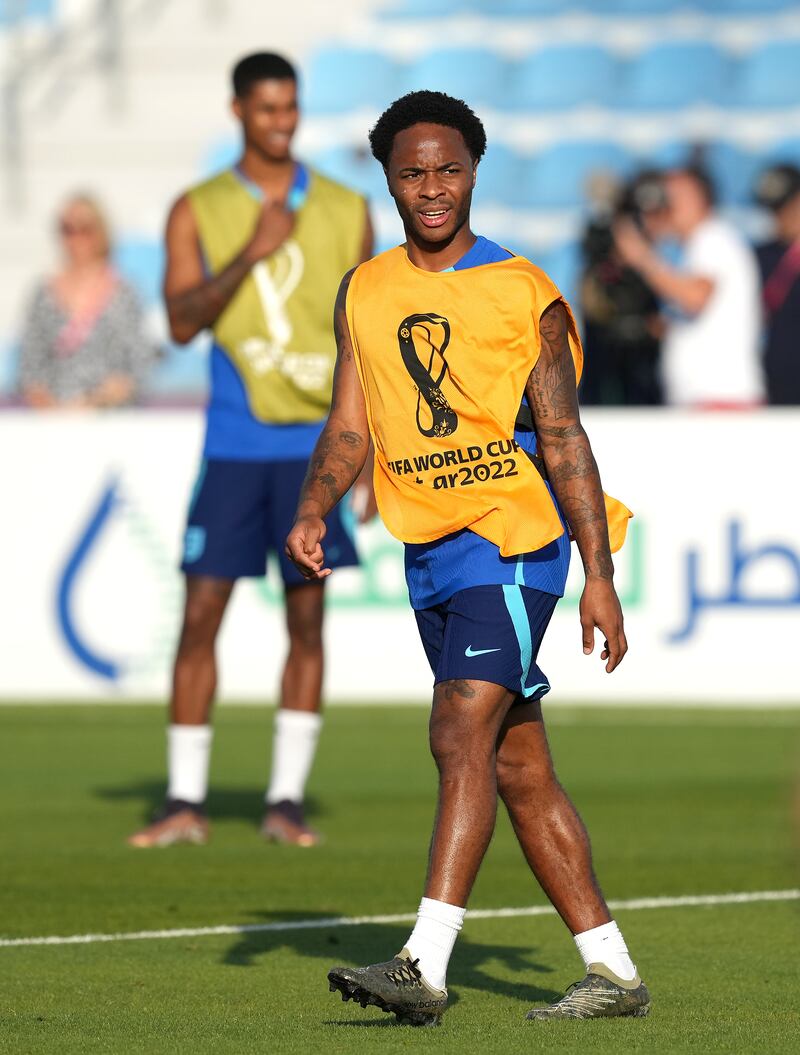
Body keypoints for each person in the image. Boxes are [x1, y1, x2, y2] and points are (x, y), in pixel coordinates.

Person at [286, 90, 649, 1026]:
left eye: (449, 168)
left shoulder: (524, 292)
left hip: (517, 542)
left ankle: (424, 964)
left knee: (456, 731)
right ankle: (612, 972)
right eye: (413, 172)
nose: (432, 187)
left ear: (476, 171)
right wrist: (315, 505)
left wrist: (599, 577)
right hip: (431, 550)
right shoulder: (364, 289)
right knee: (515, 765)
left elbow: (564, 438)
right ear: (391, 181)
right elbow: (349, 422)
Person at [128, 52, 374, 850]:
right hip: (234, 445)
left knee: (307, 621)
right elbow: (179, 322)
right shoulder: (197, 208)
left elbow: (366, 340)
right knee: (201, 614)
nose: (282, 121)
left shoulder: (344, 207)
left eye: (292, 108)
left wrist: (367, 455)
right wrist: (252, 253)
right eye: (268, 108)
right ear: (238, 109)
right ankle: (183, 799)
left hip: (313, 450)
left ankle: (286, 800)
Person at [613, 165, 763, 409]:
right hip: (703, 399)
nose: (666, 205)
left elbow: (695, 297)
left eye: (675, 196)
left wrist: (641, 256)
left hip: (721, 399)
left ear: (701, 199)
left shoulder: (714, 237)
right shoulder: (694, 248)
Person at [18, 193, 157, 408]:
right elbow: (30, 366)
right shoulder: (43, 294)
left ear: (101, 231)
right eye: (67, 229)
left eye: (85, 228)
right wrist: (51, 408)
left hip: (109, 419)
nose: (76, 238)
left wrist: (98, 401)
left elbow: (138, 364)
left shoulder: (123, 294)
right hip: (52, 421)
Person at [753, 162, 800, 405]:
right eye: (771, 209)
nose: (776, 217)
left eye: (782, 207)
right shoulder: (759, 256)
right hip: (773, 385)